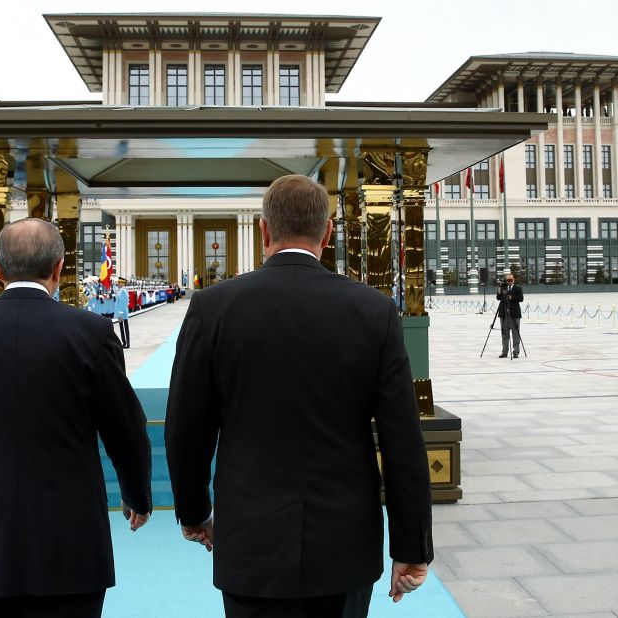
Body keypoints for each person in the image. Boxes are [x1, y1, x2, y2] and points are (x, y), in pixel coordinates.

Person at [165, 175, 433, 618]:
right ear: (327, 234)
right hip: (344, 543)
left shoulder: (212, 307)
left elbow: (186, 428)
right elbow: (401, 438)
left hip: (252, 541)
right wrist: (412, 545)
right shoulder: (373, 310)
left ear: (263, 231)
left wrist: (194, 511)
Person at [0, 218, 153, 618]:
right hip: (70, 548)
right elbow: (126, 428)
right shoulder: (91, 332)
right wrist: (137, 494)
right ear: (58, 269)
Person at [496, 272, 524, 359]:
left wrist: (511, 297)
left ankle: (516, 351)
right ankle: (504, 352)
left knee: (515, 333)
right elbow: (498, 298)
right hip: (504, 314)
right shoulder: (503, 288)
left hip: (514, 314)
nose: (509, 282)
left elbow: (521, 298)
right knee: (504, 333)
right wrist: (499, 290)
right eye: (508, 280)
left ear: (513, 280)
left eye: (511, 280)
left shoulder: (518, 288)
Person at [115, 280, 130, 349]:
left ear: (123, 283)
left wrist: (120, 314)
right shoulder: (121, 291)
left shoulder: (123, 292)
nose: (118, 284)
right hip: (121, 313)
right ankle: (124, 343)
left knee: (125, 328)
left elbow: (123, 304)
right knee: (122, 328)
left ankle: (126, 343)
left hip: (122, 313)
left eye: (119, 283)